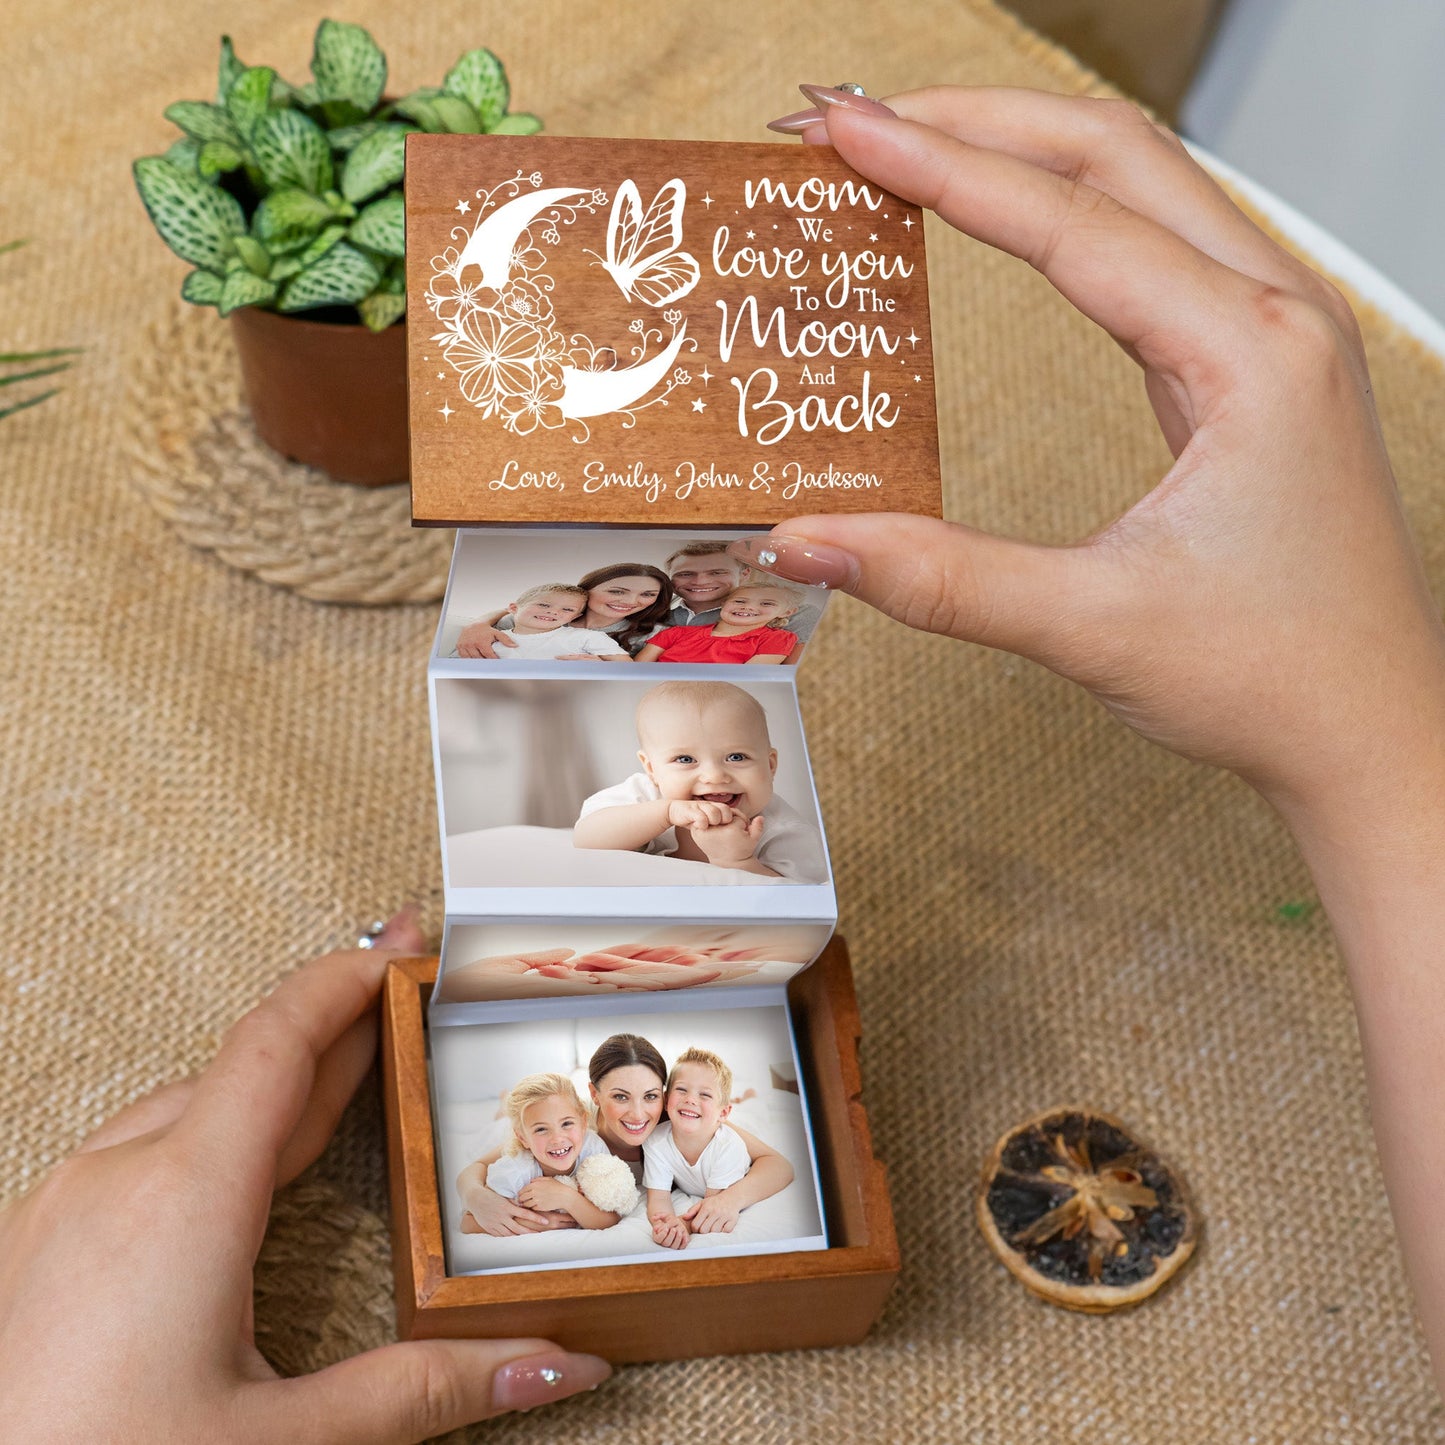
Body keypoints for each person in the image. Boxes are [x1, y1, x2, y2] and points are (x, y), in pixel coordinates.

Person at [7, 82, 1443, 1438]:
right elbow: (591, 866)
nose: (645, 1116)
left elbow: (742, 1084)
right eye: (637, 1105)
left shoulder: (725, 957)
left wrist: (721, 941)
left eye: (653, 1102)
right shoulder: (607, 919)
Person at [457, 1031, 796, 1237]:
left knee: (744, 1101)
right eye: (619, 1096)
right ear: (593, 1095)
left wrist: (728, 1200)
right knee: (506, 1114)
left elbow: (777, 1164)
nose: (638, 1115)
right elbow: (475, 1169)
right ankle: (504, 1102)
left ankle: (743, 1098)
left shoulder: (678, 1119)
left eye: (650, 1095)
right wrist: (476, 1197)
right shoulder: (572, 1132)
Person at [572, 680, 828, 881]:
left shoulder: (784, 831)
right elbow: (586, 838)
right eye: (685, 759)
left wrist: (737, 861)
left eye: (736, 757)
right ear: (652, 769)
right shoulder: (645, 795)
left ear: (770, 765)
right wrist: (666, 812)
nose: (714, 776)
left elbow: (797, 899)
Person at [644, 1048, 754, 1251]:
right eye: (682, 1090)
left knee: (756, 1113)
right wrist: (666, 1224)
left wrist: (683, 1225)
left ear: (723, 1113)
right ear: (666, 1100)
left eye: (704, 1094)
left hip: (738, 1134)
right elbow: (659, 1197)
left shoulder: (728, 1148)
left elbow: (711, 1206)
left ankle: (747, 1098)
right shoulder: (655, 1140)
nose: (690, 1100)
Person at [479, 1074, 619, 1229]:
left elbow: (611, 1218)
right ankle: (503, 1107)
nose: (557, 1139)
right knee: (501, 1123)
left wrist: (567, 1198)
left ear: (583, 1122)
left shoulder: (593, 1149)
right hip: (497, 1135)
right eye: (541, 1129)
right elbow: (468, 1222)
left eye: (566, 1123)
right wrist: (536, 1222)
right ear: (522, 1138)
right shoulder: (513, 1172)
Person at [455, 563, 673, 659]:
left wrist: (605, 665)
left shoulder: (654, 634)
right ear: (587, 589)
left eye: (647, 594)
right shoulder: (549, 619)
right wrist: (478, 624)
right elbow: (511, 613)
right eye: (617, 591)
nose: (631, 601)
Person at [634, 582, 805, 664]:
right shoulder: (676, 633)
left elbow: (750, 676)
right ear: (723, 604)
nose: (749, 607)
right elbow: (639, 669)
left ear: (787, 612)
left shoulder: (778, 638)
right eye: (739, 601)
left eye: (767, 603)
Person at [454, 583, 629, 662]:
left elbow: (627, 668)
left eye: (567, 610)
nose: (553, 612)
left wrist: (600, 666)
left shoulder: (588, 638)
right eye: (544, 605)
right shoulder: (491, 638)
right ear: (514, 608)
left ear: (574, 617)